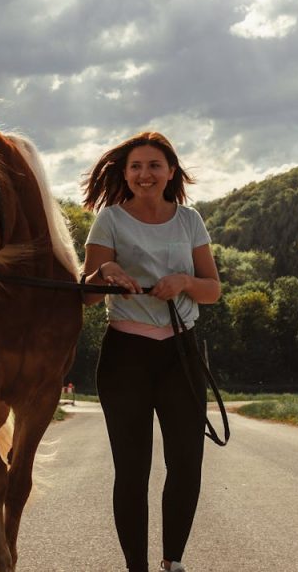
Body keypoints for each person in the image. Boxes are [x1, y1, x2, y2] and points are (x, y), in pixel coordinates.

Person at [80, 132, 221, 572]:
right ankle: (135, 567)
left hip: (181, 353)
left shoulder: (190, 220)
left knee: (186, 465)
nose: (145, 174)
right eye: (137, 166)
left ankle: (172, 561)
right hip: (126, 355)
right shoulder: (109, 220)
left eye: (154, 165)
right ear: (125, 173)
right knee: (132, 470)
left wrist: (182, 283)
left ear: (170, 172)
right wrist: (105, 269)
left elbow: (213, 290)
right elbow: (85, 295)